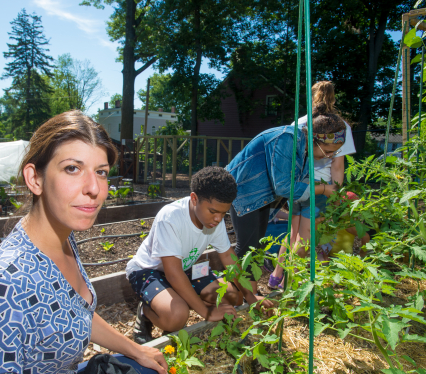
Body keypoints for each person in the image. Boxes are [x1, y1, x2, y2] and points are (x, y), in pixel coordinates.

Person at [0, 111, 167, 374]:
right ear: (35, 178)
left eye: (101, 172)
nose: (94, 188)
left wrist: (136, 349)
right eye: (72, 168)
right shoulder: (0, 289)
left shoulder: (62, 237)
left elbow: (76, 313)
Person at [125, 166, 274, 344]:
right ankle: (146, 312)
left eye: (224, 213)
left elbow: (229, 258)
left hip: (184, 269)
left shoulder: (214, 220)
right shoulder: (171, 217)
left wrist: (251, 297)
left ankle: (179, 298)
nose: (219, 219)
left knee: (235, 297)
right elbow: (172, 273)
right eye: (213, 211)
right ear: (194, 199)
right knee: (177, 316)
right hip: (149, 271)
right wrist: (206, 311)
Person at [226, 103, 346, 294]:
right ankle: (234, 294)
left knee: (256, 246)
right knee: (247, 246)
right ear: (317, 140)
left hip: (262, 195)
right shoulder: (287, 139)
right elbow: (283, 185)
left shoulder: (305, 149)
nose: (331, 157)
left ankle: (249, 294)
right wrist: (323, 189)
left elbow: (298, 180)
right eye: (329, 151)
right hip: (244, 191)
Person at [268, 81, 356, 289]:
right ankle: (292, 281)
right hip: (321, 187)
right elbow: (337, 165)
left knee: (292, 233)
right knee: (306, 238)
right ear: (333, 99)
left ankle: (276, 275)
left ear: (312, 97)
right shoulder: (340, 127)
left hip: (297, 185)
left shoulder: (298, 123)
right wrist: (335, 193)